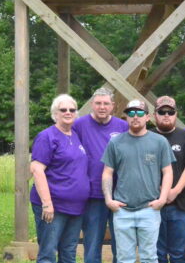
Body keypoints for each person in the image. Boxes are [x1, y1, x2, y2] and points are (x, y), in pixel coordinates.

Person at [102, 99, 174, 263]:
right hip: (122, 210)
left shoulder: (159, 141)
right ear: (126, 117)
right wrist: (109, 200)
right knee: (124, 258)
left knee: (149, 257)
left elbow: (168, 171)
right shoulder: (115, 142)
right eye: (131, 113)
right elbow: (107, 172)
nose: (136, 117)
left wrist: (162, 199)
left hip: (149, 209)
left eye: (140, 113)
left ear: (147, 117)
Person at [30, 94, 89, 263]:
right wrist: (47, 203)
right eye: (63, 109)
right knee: (48, 253)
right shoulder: (47, 136)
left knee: (69, 251)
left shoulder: (75, 135)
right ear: (55, 113)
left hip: (76, 207)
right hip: (54, 206)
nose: (68, 112)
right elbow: (37, 169)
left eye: (72, 109)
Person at [73, 88, 129, 263]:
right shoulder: (79, 125)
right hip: (93, 193)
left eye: (106, 103)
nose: (102, 107)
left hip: (120, 193)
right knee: (92, 241)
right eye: (98, 103)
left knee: (121, 242)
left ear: (113, 105)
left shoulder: (123, 126)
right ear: (92, 104)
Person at [154, 96, 185, 263]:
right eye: (162, 111)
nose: (166, 115)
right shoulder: (148, 136)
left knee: (179, 253)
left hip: (180, 203)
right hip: (153, 204)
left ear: (176, 114)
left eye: (170, 112)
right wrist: (160, 192)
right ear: (154, 115)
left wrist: (174, 191)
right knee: (157, 254)